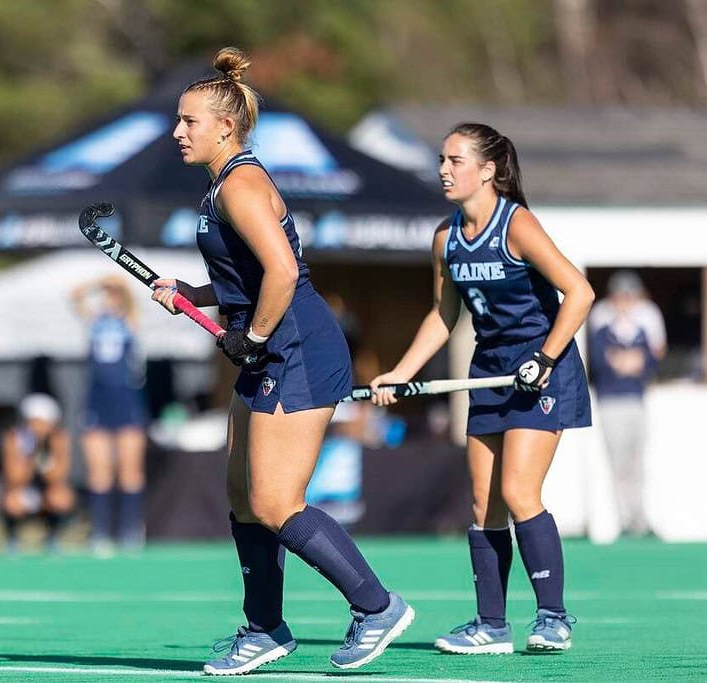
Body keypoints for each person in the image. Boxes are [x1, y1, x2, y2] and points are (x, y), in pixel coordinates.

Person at [151, 47, 413, 675]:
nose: (178, 131)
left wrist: (254, 336)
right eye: (179, 120)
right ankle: (266, 629)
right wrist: (196, 296)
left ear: (226, 126)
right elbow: (248, 274)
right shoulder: (224, 183)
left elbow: (284, 271)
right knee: (242, 496)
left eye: (190, 121)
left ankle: (376, 607)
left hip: (294, 349)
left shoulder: (240, 184)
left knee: (275, 501)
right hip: (269, 345)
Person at [369, 122, 594, 654]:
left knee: (519, 493)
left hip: (542, 369)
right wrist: (401, 373)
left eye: (455, 160)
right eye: (442, 161)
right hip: (489, 370)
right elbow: (444, 315)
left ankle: (553, 617)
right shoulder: (446, 238)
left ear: (488, 170)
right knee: (482, 503)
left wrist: (543, 358)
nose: (444, 170)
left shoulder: (517, 225)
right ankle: (491, 626)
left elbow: (578, 293)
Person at [71, 276, 148, 555]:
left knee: (129, 471)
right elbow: (75, 295)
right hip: (97, 404)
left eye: (112, 295)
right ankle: (101, 531)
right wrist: (98, 286)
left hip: (126, 403)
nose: (108, 299)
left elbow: (131, 297)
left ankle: (130, 530)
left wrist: (116, 285)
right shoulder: (95, 323)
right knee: (99, 472)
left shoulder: (128, 322)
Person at [588, 271, 663, 536]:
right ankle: (620, 520)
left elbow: (648, 363)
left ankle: (639, 519)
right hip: (610, 403)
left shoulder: (642, 329)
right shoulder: (603, 329)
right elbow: (601, 363)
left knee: (637, 463)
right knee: (617, 463)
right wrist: (626, 362)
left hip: (635, 402)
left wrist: (628, 361)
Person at [0, 393, 75, 552]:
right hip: (26, 490)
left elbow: (58, 476)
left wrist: (45, 460)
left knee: (60, 498)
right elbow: (14, 478)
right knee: (12, 501)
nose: (37, 428)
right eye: (33, 422)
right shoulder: (15, 438)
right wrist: (30, 457)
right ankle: (12, 538)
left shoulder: (59, 439)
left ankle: (52, 538)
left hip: (47, 491)